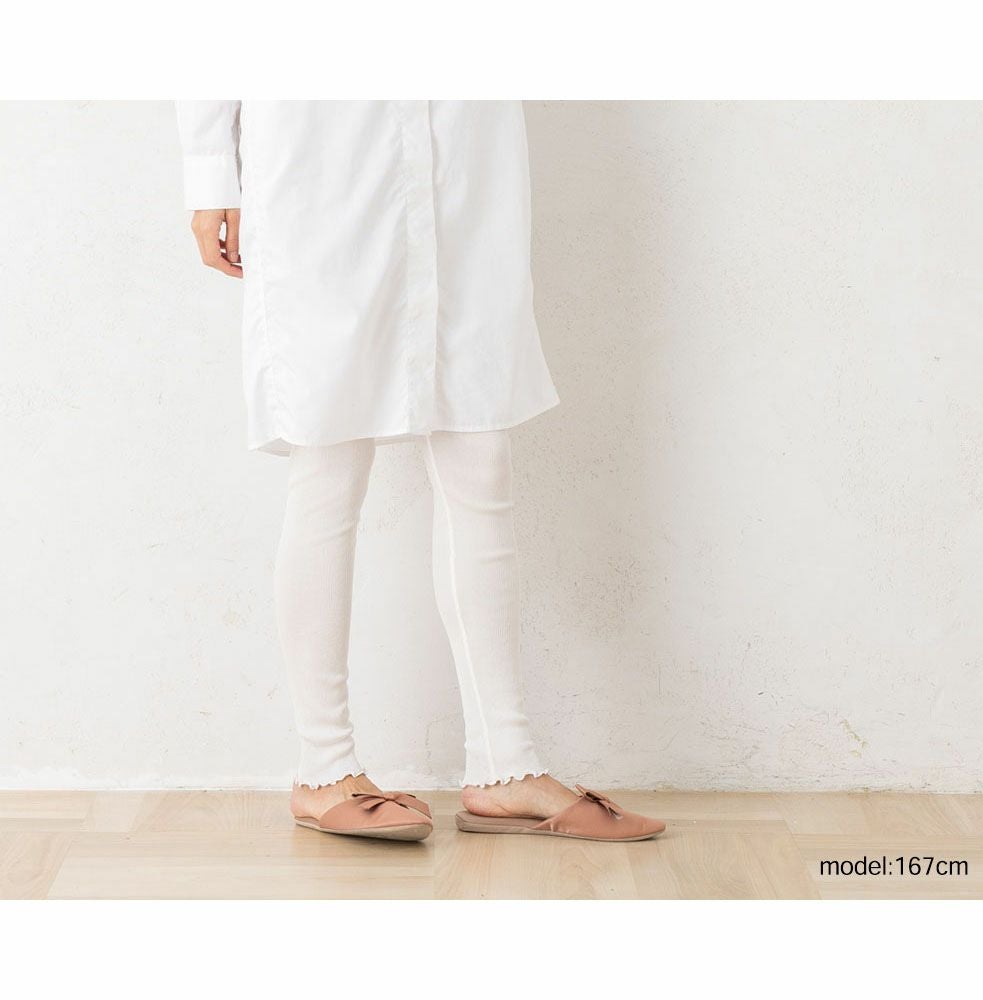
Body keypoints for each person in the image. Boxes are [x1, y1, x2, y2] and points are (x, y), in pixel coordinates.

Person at [176, 100, 664, 843]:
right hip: (325, 151)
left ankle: (505, 765)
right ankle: (322, 766)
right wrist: (211, 169)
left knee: (480, 453)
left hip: (463, 141)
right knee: (328, 459)